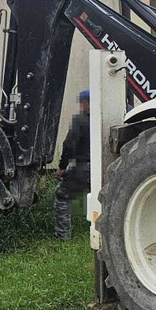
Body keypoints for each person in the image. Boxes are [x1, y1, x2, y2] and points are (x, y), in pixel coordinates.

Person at [54, 89, 91, 240]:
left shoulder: (81, 120)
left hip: (83, 167)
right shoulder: (104, 118)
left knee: (62, 195)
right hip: (103, 166)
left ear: (85, 102)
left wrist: (62, 167)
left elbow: (68, 144)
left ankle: (63, 237)